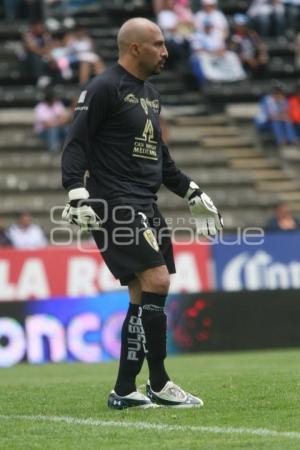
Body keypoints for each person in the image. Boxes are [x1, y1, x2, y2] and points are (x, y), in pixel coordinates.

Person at [61, 17, 223, 410]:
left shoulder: (151, 94)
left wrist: (191, 189)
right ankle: (161, 382)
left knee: (141, 290)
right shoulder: (103, 87)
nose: (166, 52)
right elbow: (75, 143)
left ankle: (124, 389)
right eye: (159, 44)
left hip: (145, 202)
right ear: (135, 48)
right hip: (115, 201)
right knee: (157, 278)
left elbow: (161, 159)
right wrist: (76, 191)